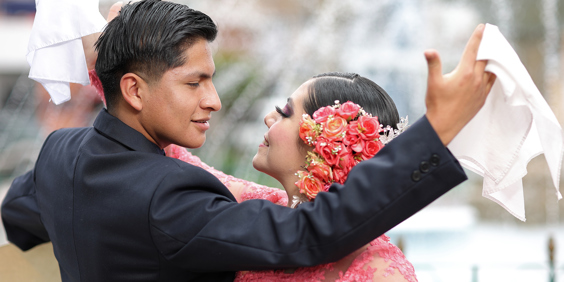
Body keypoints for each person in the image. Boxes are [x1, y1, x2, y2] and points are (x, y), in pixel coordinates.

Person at [1, 1, 495, 281]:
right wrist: (438, 133)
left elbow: (20, 216)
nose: (215, 100)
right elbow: (309, 234)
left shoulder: (58, 156)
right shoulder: (169, 198)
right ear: (133, 88)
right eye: (195, 83)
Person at [166, 72, 417, 281]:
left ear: (324, 143)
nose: (268, 119)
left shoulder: (382, 270)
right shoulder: (267, 209)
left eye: (284, 113)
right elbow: (178, 159)